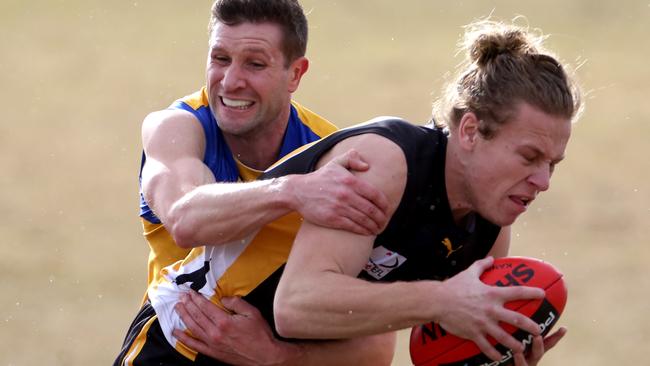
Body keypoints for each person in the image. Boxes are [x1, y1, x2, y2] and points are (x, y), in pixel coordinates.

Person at [119, 18, 582, 366]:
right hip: (186, 347)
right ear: (469, 131)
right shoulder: (384, 163)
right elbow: (297, 306)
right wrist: (442, 301)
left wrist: (492, 355)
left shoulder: (486, 227)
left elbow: (380, 346)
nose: (542, 182)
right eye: (528, 158)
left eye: (552, 165)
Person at [119, 0, 393, 364]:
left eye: (255, 63)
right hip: (169, 352)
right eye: (220, 59)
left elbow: (377, 350)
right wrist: (292, 191)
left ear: (295, 74)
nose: (231, 81)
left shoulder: (332, 156)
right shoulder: (176, 128)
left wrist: (275, 356)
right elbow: (186, 220)